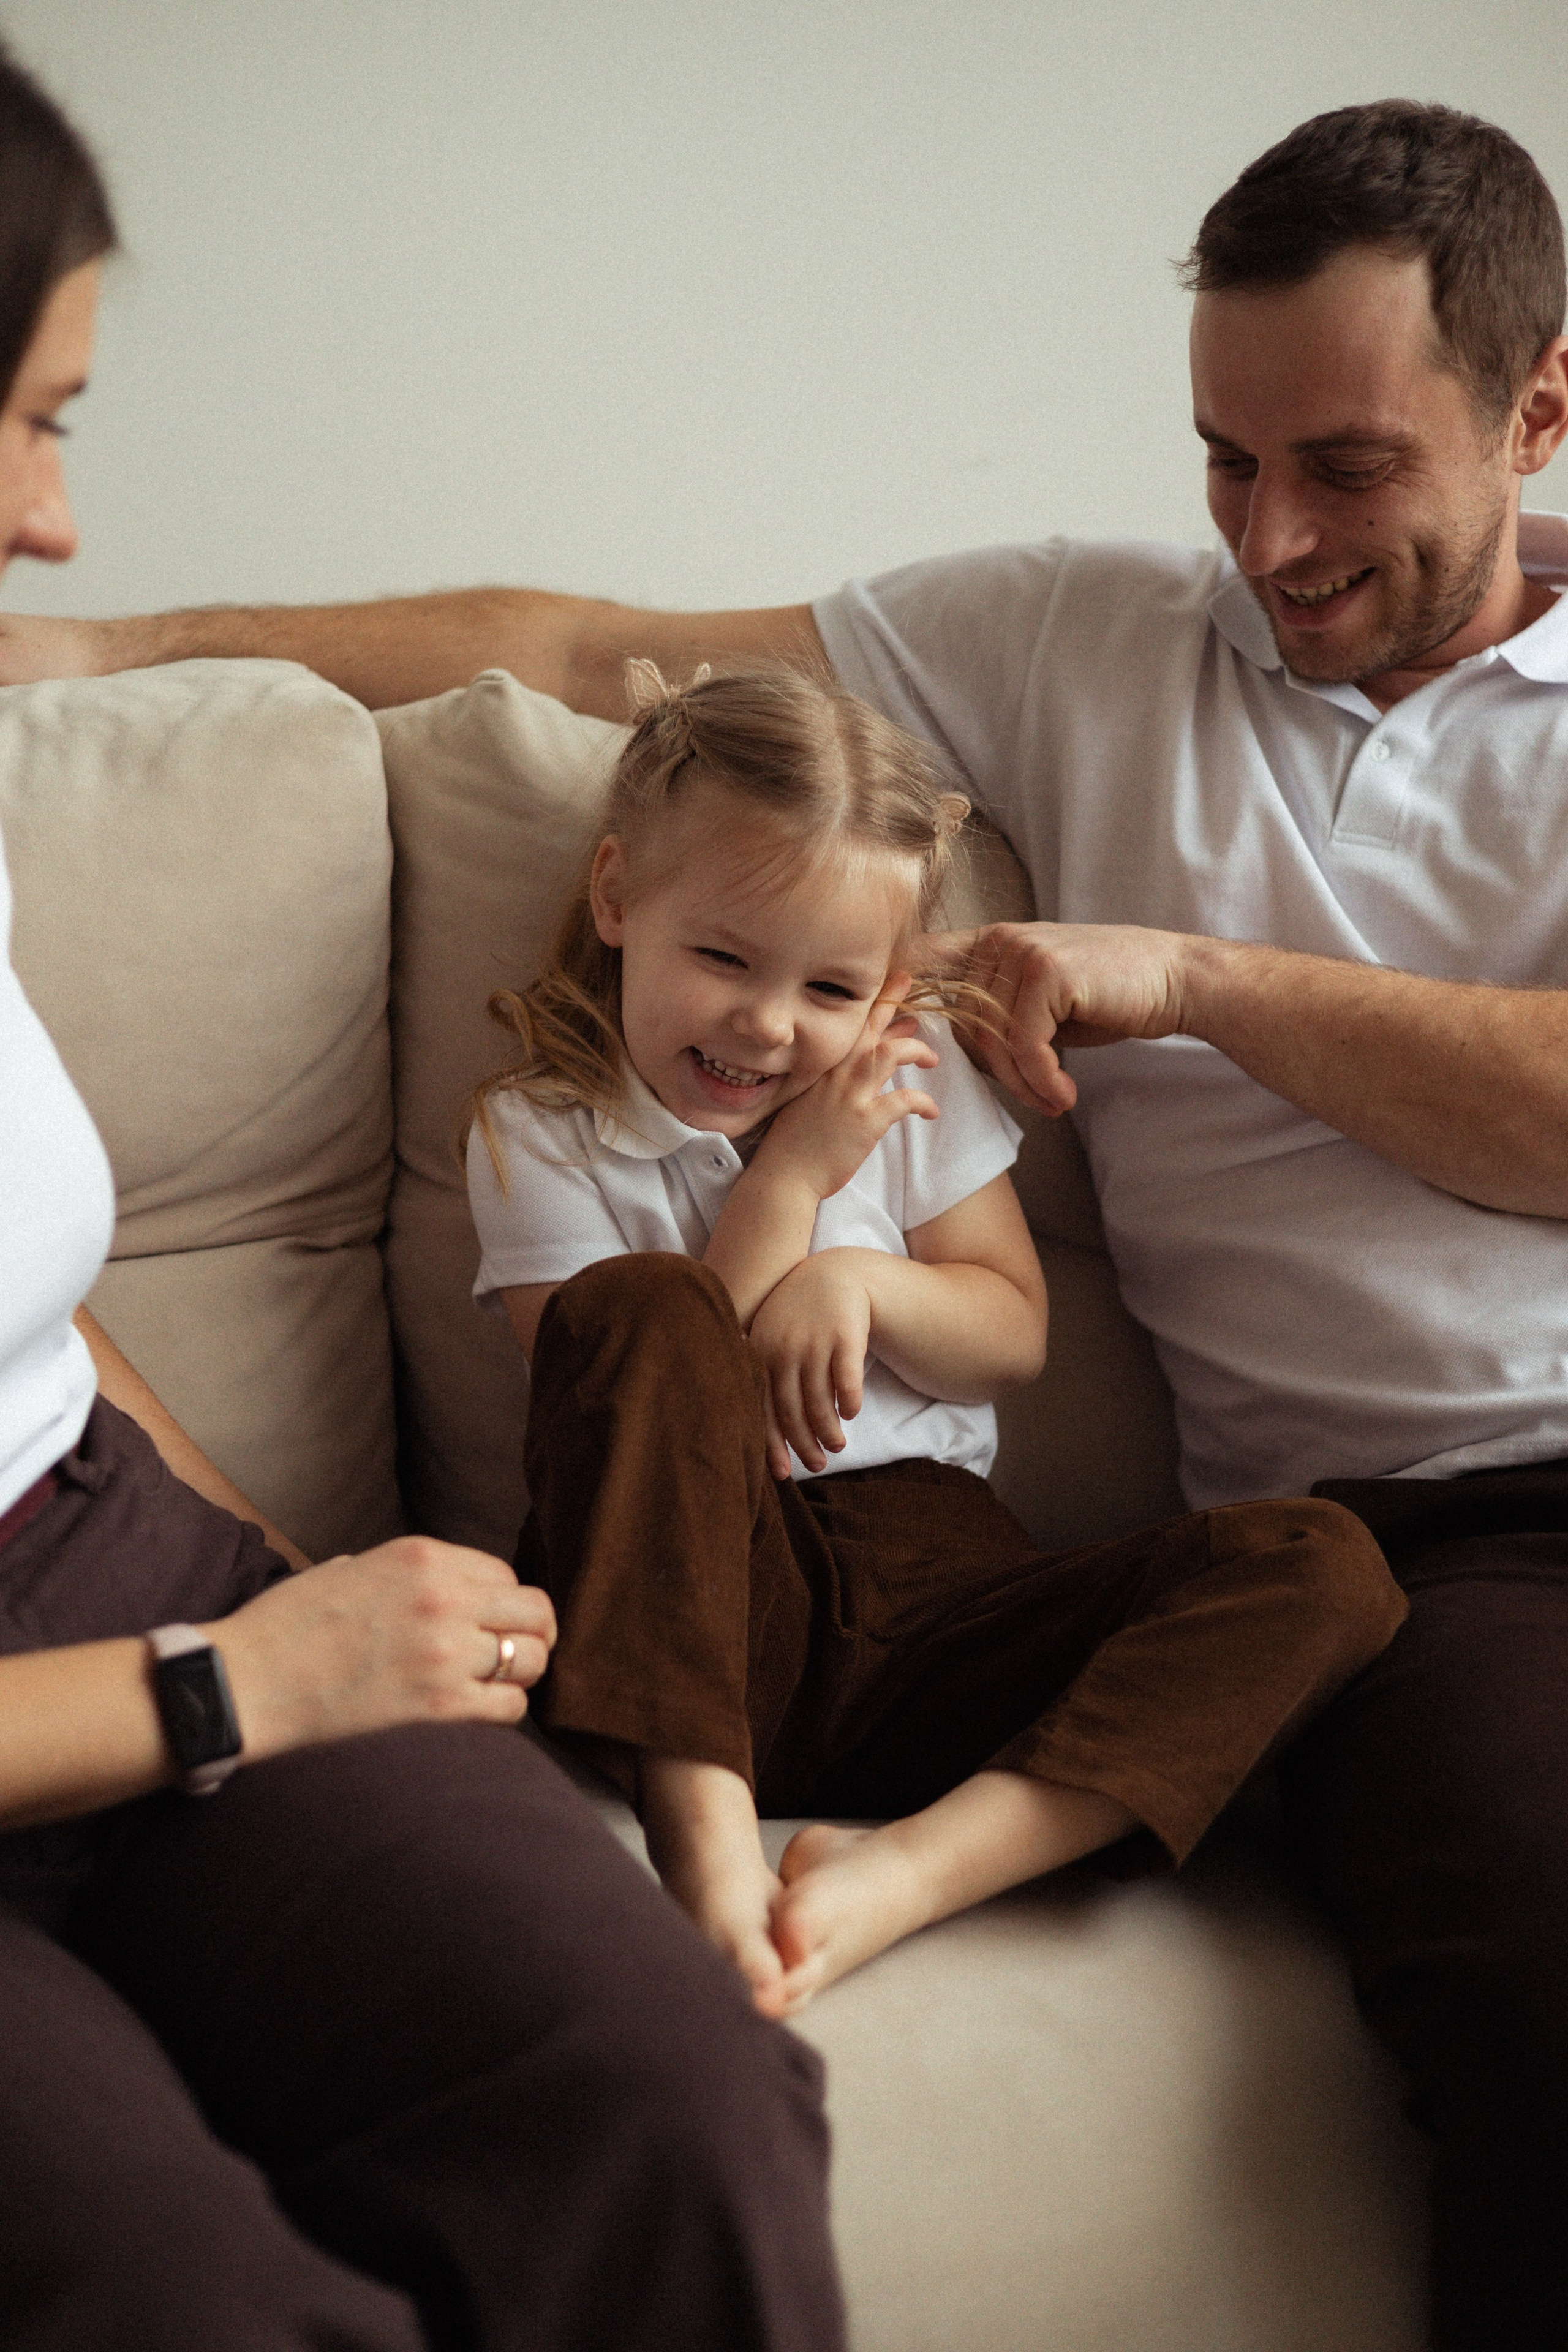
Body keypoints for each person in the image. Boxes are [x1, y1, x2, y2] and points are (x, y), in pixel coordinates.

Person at [9, 85, 1566, 2352]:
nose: (1269, 539)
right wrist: (102, 662)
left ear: (1540, 411)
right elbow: (571, 645)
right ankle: (716, 1844)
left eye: (1347, 468)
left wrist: (1186, 983)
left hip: (1008, 1588)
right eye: (1226, 460)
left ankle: (894, 1874)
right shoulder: (1077, 636)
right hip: (1449, 1550)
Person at [0, 48, 845, 2352]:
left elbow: (30, 1333)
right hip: (144, 1684)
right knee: (187, 2298)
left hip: (116, 1572)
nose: (58, 517)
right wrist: (232, 1685)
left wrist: (279, 1584)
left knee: (684, 2104)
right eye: (32, 414)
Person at [466, 656, 1404, 2018]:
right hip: (701, 1607)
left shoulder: (906, 1084)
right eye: (721, 957)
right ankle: (709, 1848)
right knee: (643, 1306)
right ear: (617, 897)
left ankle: (908, 1871)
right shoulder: (540, 1129)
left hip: (937, 1606)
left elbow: (1010, 1329)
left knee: (1325, 1564)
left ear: (891, 988)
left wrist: (862, 1287)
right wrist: (790, 1182)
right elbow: (617, 1407)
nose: (766, 1024)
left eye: (831, 989)